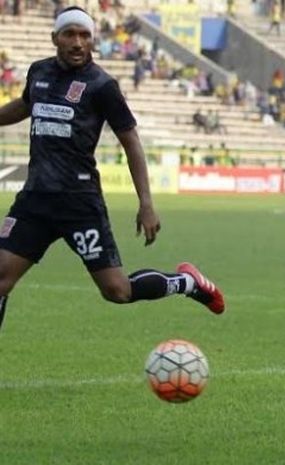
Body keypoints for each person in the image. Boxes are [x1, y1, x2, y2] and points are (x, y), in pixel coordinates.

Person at [0, 7, 225, 330]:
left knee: (117, 290)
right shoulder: (39, 72)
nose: (78, 42)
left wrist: (146, 202)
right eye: (70, 34)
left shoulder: (101, 85)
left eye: (85, 35)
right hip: (34, 199)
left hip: (79, 203)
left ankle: (187, 283)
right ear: (55, 39)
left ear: (93, 40)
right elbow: (25, 104)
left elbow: (131, 141)